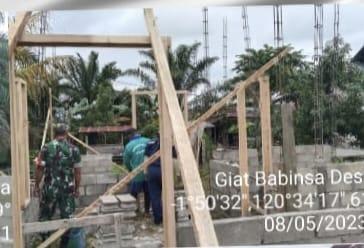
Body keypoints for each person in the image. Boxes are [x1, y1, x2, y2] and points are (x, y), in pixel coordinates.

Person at [34, 123, 82, 246]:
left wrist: (36, 187)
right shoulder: (74, 149)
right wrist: (77, 189)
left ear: (54, 134)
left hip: (50, 189)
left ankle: (45, 243)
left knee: (45, 217)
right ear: (66, 134)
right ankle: (64, 244)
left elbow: (39, 169)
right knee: (67, 218)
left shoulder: (46, 148)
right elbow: (77, 172)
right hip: (67, 189)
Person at [123, 132, 151, 214]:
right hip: (148, 173)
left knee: (134, 193)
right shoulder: (148, 141)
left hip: (137, 174)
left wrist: (130, 170)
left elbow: (126, 161)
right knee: (148, 193)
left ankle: (135, 210)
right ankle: (147, 211)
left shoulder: (129, 146)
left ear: (130, 137)